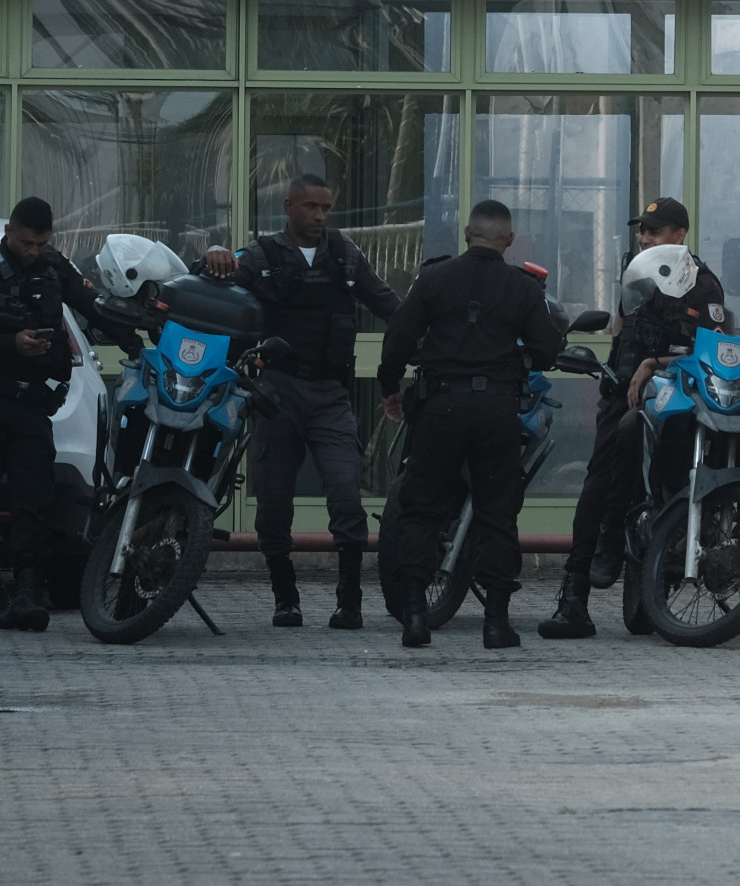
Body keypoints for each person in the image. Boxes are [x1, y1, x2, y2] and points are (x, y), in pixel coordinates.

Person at [204, 175, 400, 630]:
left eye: (326, 208)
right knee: (273, 502)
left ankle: (349, 600)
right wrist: (213, 256)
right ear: (289, 206)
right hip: (277, 391)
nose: (319, 216)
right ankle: (285, 597)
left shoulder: (346, 255)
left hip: (330, 393)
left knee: (347, 496)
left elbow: (392, 305)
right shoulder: (262, 255)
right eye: (311, 206)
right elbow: (215, 278)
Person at [0, 196, 141, 632]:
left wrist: (135, 341)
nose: (32, 251)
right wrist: (10, 345)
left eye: (41, 243)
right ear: (10, 230)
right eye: (26, 242)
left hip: (32, 404)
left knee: (33, 500)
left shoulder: (55, 267)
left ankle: (29, 592)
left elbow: (97, 308)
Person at [378, 199, 566, 650]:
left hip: (439, 409)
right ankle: (496, 624)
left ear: (467, 234)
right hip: (497, 412)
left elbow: (398, 339)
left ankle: (416, 618)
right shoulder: (523, 289)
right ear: (509, 240)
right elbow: (546, 351)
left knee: (421, 510)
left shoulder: (434, 279)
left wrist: (390, 389)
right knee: (498, 514)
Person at [538, 197, 728, 640]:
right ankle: (574, 598)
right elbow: (621, 328)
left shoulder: (703, 284)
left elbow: (716, 351)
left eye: (655, 231)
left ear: (679, 235)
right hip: (624, 391)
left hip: (676, 398)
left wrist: (656, 364)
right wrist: (618, 373)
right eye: (642, 230)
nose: (644, 238)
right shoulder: (634, 270)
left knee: (672, 484)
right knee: (597, 486)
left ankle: (659, 584)